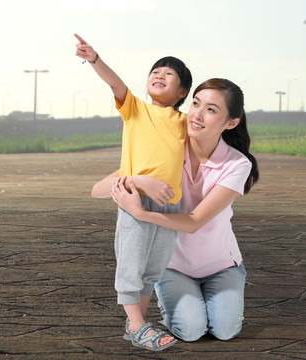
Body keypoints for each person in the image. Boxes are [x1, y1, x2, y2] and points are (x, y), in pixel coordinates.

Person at [96, 78, 259, 342]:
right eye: (195, 103)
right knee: (192, 331)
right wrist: (139, 180)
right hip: (173, 267)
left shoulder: (237, 164)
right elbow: (99, 188)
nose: (197, 114)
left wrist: (142, 214)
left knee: (225, 330)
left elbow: (195, 221)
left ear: (231, 123)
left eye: (211, 109)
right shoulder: (165, 150)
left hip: (221, 266)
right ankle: (174, 301)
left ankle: (210, 298)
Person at [74, 33, 192, 351]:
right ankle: (140, 326)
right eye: (155, 71)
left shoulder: (185, 122)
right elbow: (115, 83)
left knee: (151, 269)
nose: (159, 74)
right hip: (134, 199)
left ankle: (135, 324)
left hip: (169, 205)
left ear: (182, 91)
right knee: (131, 265)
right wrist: (94, 59)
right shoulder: (136, 110)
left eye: (169, 74)